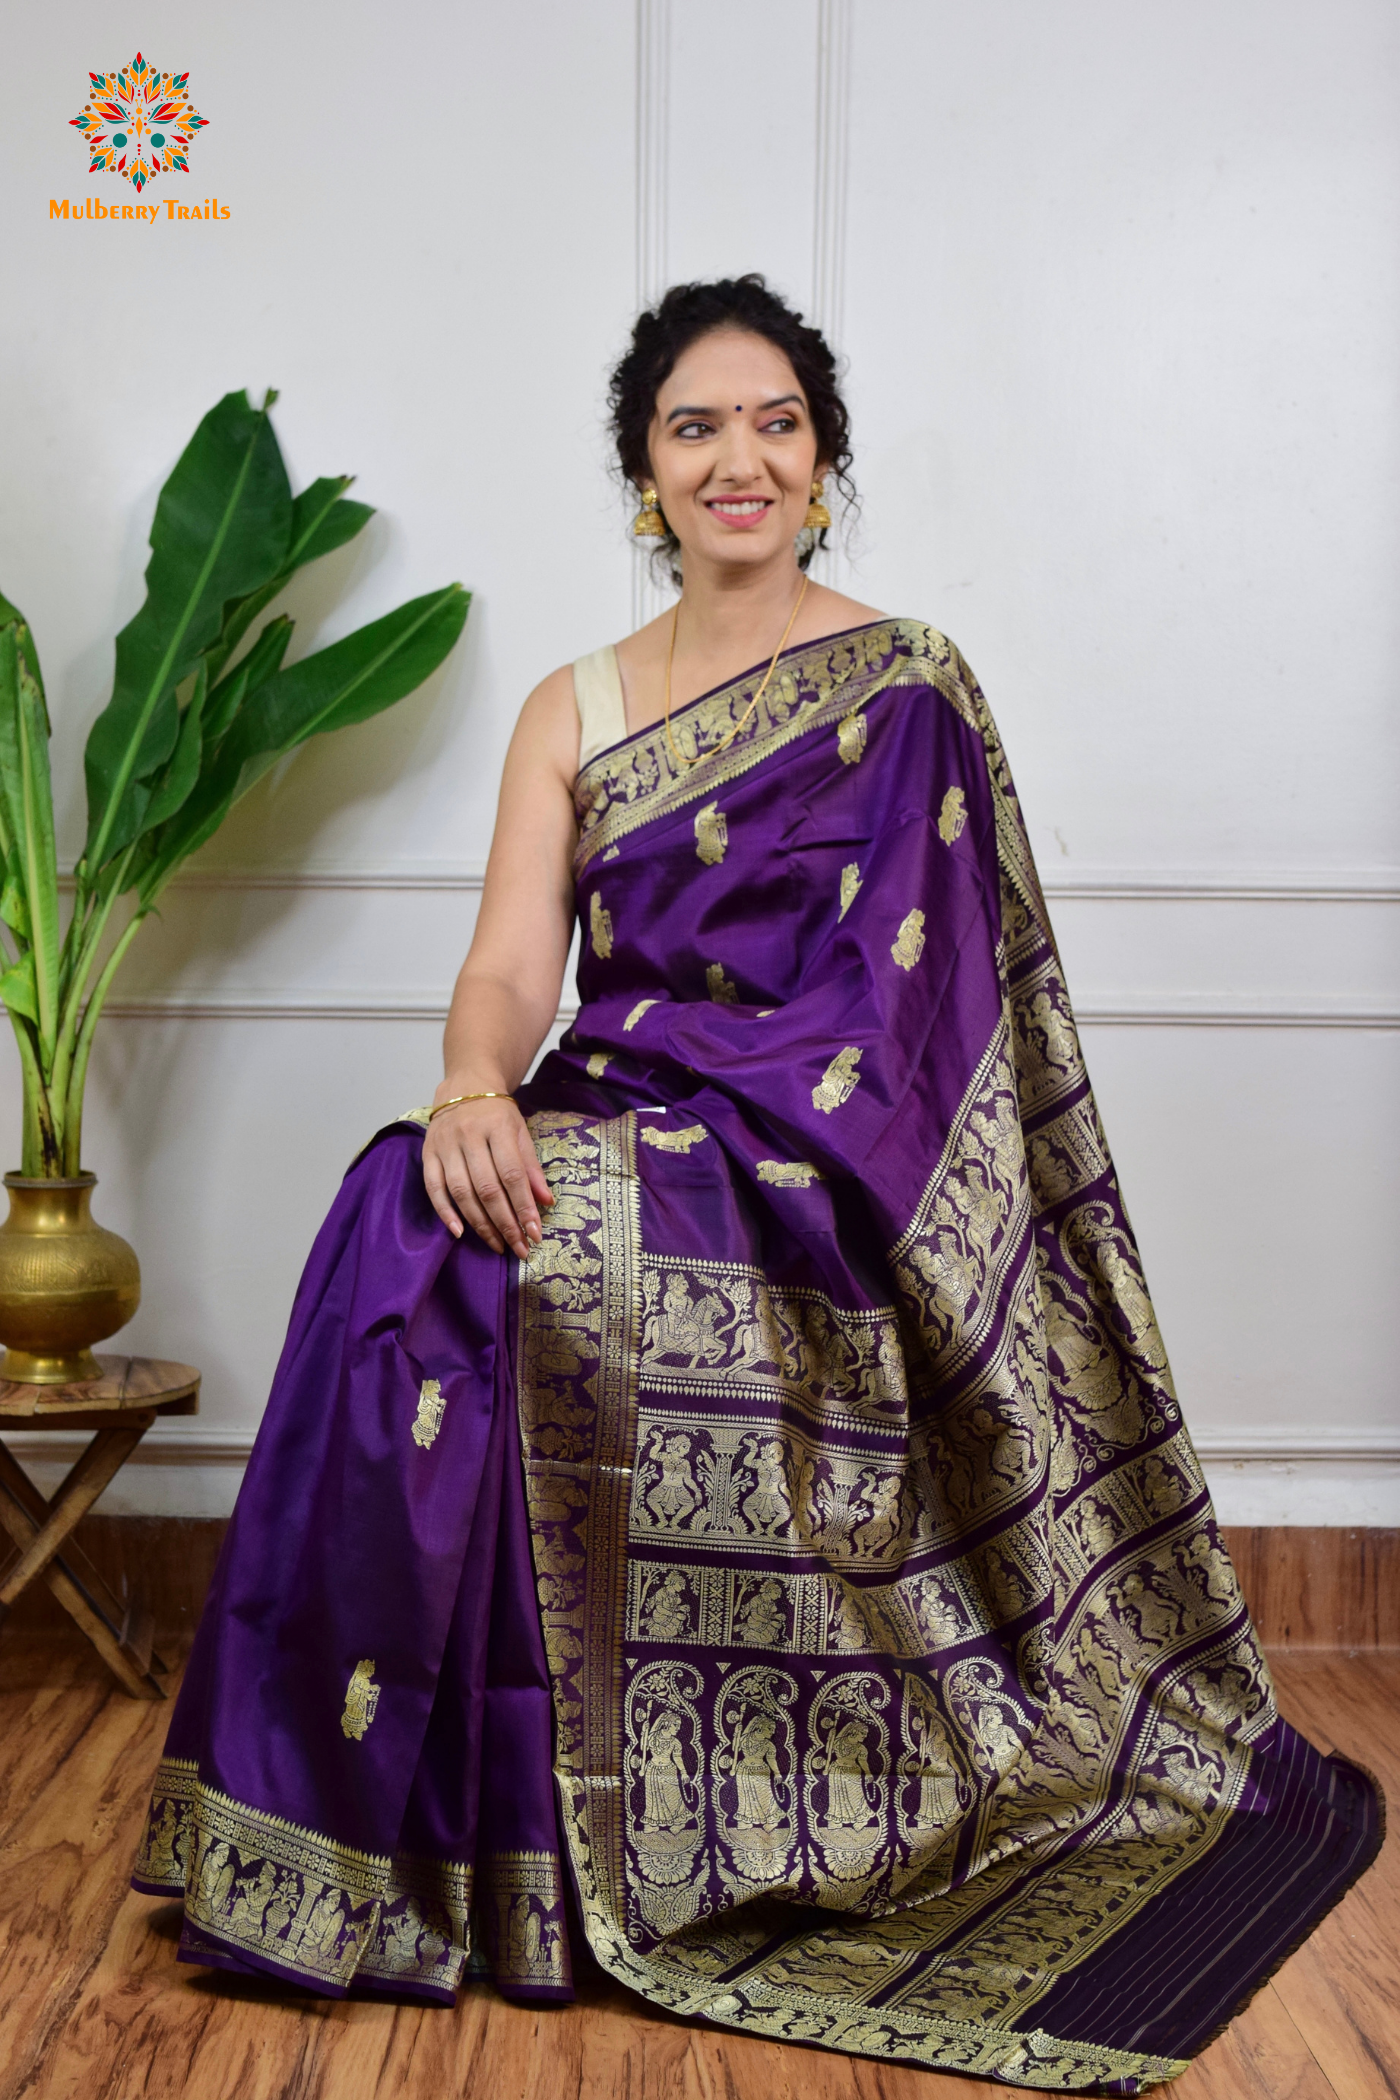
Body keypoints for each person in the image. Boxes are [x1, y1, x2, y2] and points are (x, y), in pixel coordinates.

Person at [134, 276, 1379, 2088]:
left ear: (824, 459)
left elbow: (923, 1024)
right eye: (694, 426)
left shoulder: (905, 685)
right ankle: (390, 1860)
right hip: (612, 1107)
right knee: (413, 1203)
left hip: (807, 1160)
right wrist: (473, 1083)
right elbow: (506, 963)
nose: (739, 457)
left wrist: (714, 1124)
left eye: (775, 421)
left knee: (546, 1255)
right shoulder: (574, 703)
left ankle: (597, 1843)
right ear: (646, 469)